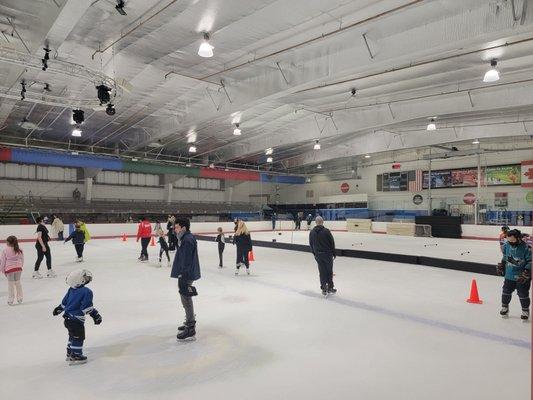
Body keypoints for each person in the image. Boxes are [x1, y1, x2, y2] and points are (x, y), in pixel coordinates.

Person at [52, 269, 102, 365]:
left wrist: (58, 309)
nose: (88, 279)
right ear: (80, 280)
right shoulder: (86, 291)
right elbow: (87, 307)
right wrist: (96, 315)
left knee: (72, 336)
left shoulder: (71, 289)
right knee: (79, 337)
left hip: (67, 319)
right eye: (85, 278)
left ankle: (70, 352)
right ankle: (76, 355)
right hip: (76, 320)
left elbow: (64, 302)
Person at [170, 218, 201, 341]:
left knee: (186, 298)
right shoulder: (185, 238)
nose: (175, 229)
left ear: (183, 228)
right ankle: (189, 320)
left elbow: (187, 260)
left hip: (186, 274)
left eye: (176, 227)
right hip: (186, 272)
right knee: (185, 297)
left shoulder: (187, 240)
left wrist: (182, 274)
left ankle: (190, 327)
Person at [497, 229, 532, 320]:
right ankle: (505, 307)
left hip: (522, 276)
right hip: (509, 275)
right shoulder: (507, 245)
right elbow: (505, 257)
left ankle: (525, 311)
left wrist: (526, 271)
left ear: (518, 238)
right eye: (509, 240)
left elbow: (530, 261)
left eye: (512, 240)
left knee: (523, 294)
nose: (510, 242)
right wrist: (502, 265)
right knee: (506, 292)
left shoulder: (526, 248)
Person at [309, 216, 337, 296]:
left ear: (316, 222)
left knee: (322, 271)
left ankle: (324, 287)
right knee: (329, 271)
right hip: (327, 254)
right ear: (322, 222)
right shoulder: (326, 231)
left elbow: (311, 244)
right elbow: (332, 243)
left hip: (318, 255)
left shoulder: (312, 232)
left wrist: (314, 253)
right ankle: (330, 287)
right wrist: (334, 253)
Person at [0, 235, 24, 305]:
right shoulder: (20, 249)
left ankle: (11, 299)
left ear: (8, 242)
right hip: (18, 268)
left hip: (9, 269)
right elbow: (22, 260)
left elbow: (2, 262)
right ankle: (20, 298)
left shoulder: (5, 250)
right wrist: (20, 266)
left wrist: (2, 270)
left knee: (11, 284)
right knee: (18, 283)